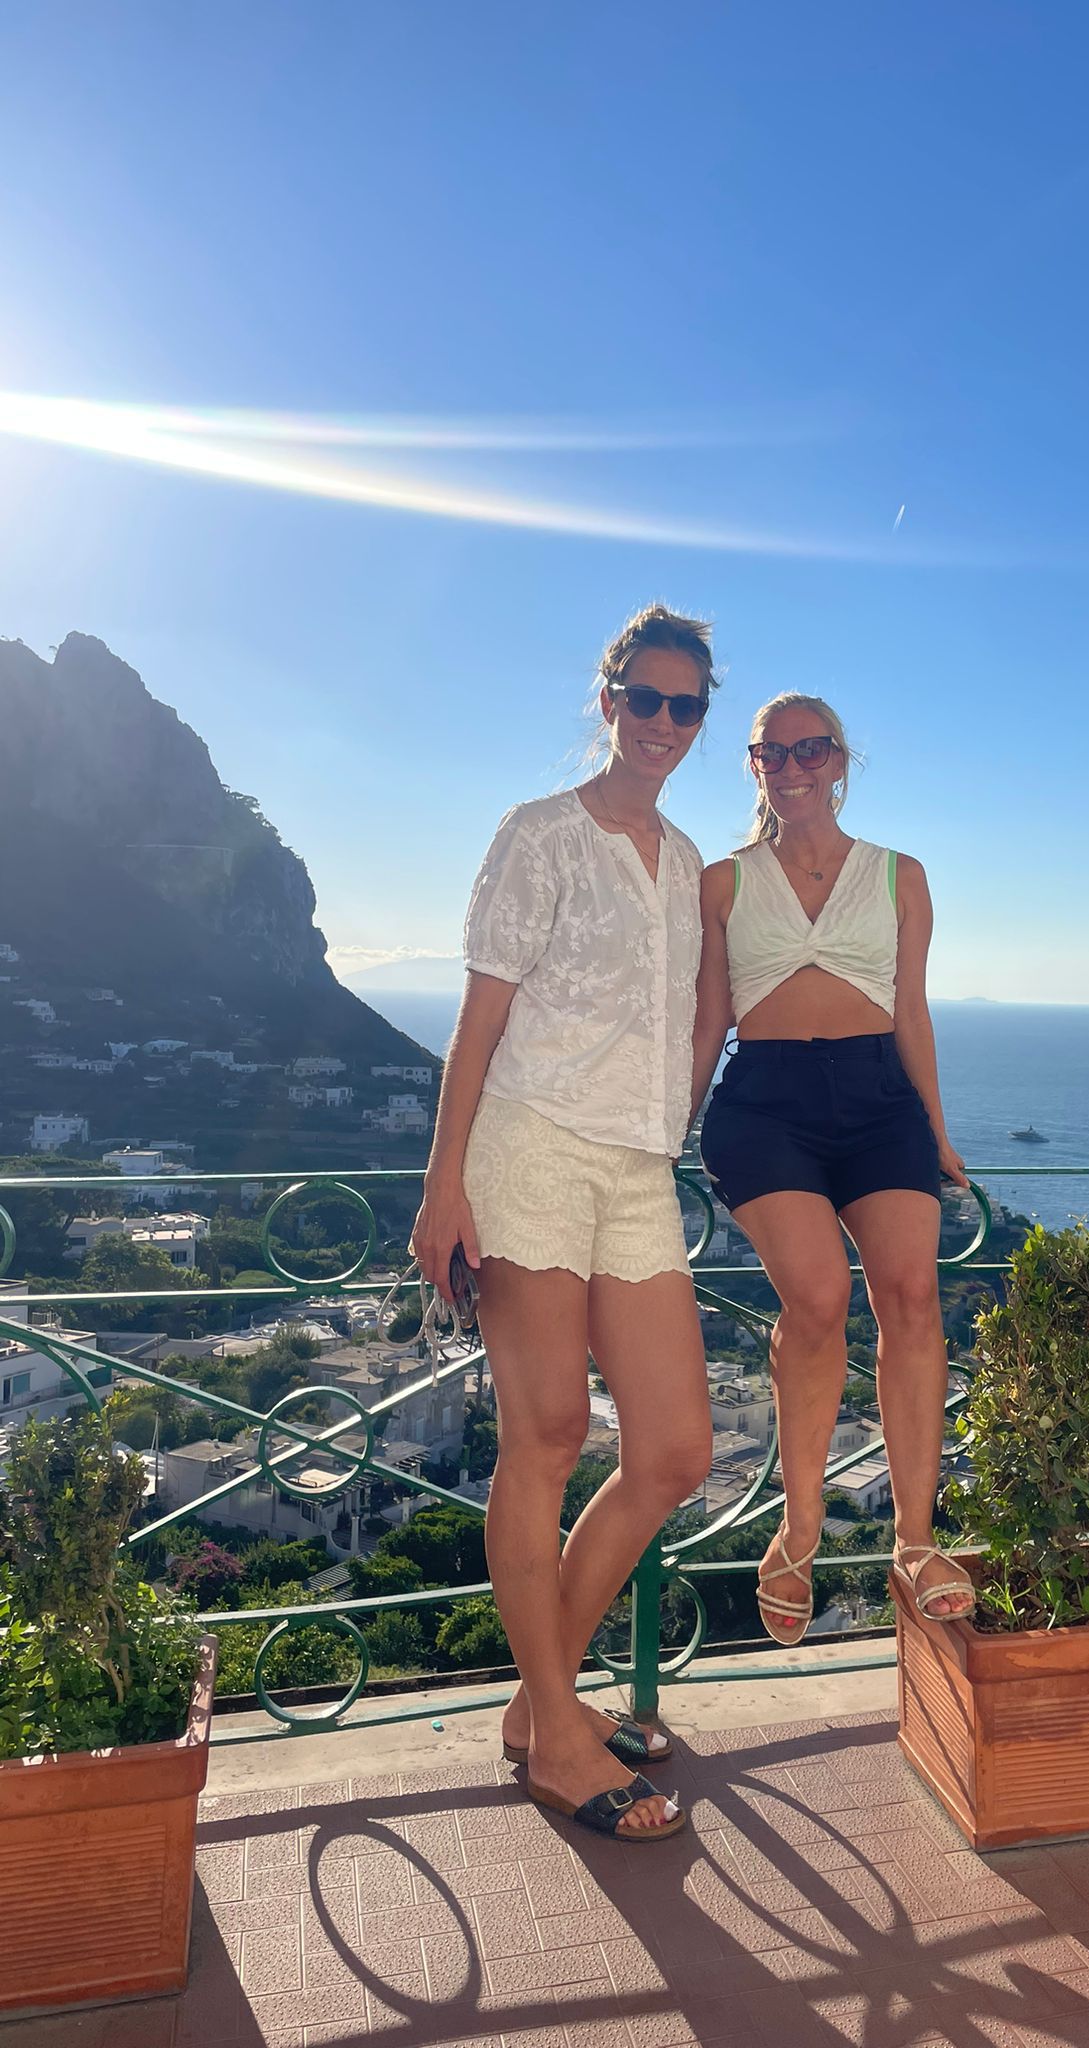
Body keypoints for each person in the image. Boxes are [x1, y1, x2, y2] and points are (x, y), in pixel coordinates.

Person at [411, 603, 716, 1844]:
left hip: (636, 1170)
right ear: (607, 703)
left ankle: (547, 1704)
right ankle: (554, 1731)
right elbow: (478, 1020)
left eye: (685, 705)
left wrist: (681, 1106)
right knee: (542, 1436)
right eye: (643, 698)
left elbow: (700, 1009)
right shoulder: (538, 833)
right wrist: (444, 1185)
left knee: (676, 1450)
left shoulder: (689, 860)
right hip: (527, 1150)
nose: (661, 723)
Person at [692, 692, 975, 1645]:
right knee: (816, 1300)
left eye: (812, 749)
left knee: (913, 1296)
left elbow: (914, 1012)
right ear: (756, 765)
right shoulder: (723, 882)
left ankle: (914, 1539)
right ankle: (799, 1528)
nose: (795, 766)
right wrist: (668, 1129)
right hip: (765, 1103)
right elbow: (705, 1019)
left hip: (877, 1098)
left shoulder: (901, 876)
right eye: (774, 752)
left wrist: (935, 1130)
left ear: (840, 759)